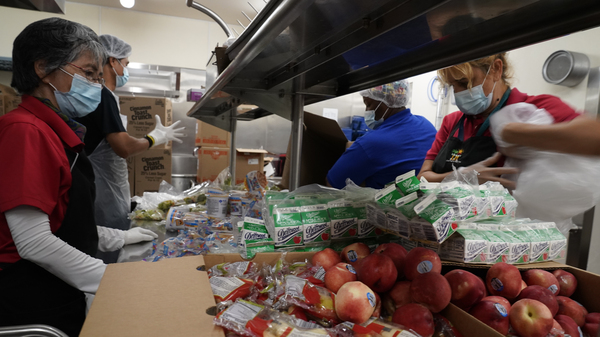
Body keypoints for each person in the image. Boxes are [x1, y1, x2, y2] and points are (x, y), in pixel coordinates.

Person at [0, 18, 157, 336]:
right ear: (43, 68)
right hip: (30, 303)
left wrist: (120, 238)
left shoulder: (56, 132)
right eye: (88, 74)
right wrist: (112, 280)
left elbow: (63, 222)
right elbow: (33, 242)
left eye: (100, 78)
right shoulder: (25, 131)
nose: (97, 87)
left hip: (55, 292)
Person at [417, 53, 581, 188]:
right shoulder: (452, 122)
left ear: (496, 69)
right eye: (452, 86)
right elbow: (423, 177)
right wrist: (461, 177)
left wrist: (517, 133)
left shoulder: (535, 110)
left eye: (464, 82)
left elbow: (592, 135)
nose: (458, 93)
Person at [74, 34, 184, 232]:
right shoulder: (102, 95)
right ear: (112, 61)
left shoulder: (102, 96)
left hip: (105, 187)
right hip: (103, 192)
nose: (126, 70)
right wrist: (155, 138)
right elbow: (124, 147)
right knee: (108, 245)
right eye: (126, 63)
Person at [327, 80, 437, 189]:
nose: (366, 111)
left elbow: (332, 184)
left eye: (368, 104)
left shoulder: (371, 143)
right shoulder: (426, 125)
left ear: (386, 102)